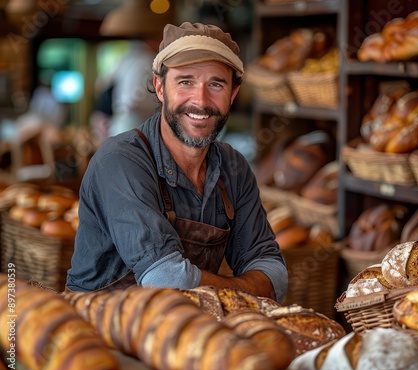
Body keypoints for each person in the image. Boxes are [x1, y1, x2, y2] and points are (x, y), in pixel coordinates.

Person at [66, 22, 288, 303]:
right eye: (185, 82)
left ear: (232, 94)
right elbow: (166, 279)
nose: (201, 100)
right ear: (160, 88)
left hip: (185, 328)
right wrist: (244, 289)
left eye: (216, 84)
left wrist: (217, 288)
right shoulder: (121, 160)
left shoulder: (233, 167)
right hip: (97, 333)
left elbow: (274, 274)